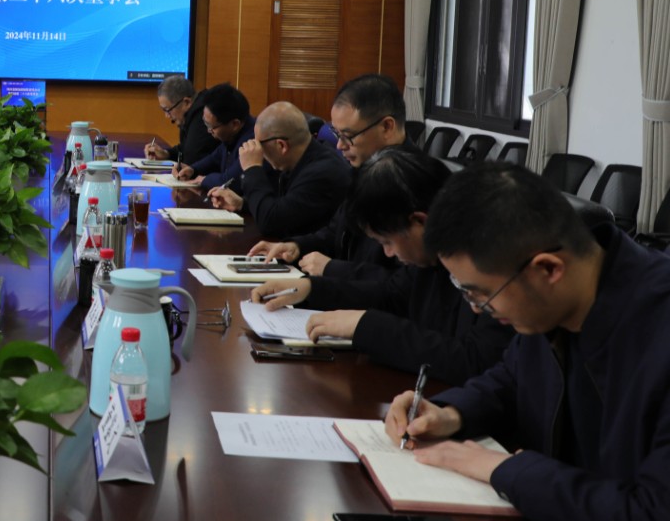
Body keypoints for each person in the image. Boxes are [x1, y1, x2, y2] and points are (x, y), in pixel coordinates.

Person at [384, 163, 670, 521]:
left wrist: (505, 470)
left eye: (480, 295)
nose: (478, 310)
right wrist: (451, 413)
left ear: (547, 268)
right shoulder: (556, 297)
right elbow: (511, 377)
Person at [250, 148, 513, 384]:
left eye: (387, 241)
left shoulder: (493, 264)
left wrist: (366, 326)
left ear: (419, 222)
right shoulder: (431, 256)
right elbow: (391, 294)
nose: (388, 253)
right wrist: (311, 288)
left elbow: (474, 360)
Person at [250, 74, 410, 279]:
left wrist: (332, 268)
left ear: (386, 127)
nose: (339, 145)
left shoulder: (414, 184)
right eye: (337, 135)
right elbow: (336, 232)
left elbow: (406, 283)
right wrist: (296, 246)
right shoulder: (364, 169)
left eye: (348, 136)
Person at [209, 101, 349, 239]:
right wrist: (242, 203)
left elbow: (271, 223)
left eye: (259, 144)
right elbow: (282, 207)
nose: (258, 151)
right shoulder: (300, 159)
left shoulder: (321, 172)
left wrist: (252, 169)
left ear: (281, 146)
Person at [174, 83, 254, 188]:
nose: (208, 130)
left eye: (211, 126)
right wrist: (193, 169)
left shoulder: (252, 142)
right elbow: (216, 157)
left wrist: (204, 180)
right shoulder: (232, 135)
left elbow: (229, 181)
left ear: (235, 124)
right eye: (205, 123)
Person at [144, 76, 219, 164]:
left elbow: (191, 159)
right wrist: (167, 154)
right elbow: (185, 149)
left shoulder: (202, 118)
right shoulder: (191, 115)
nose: (167, 116)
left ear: (186, 102)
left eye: (168, 110)